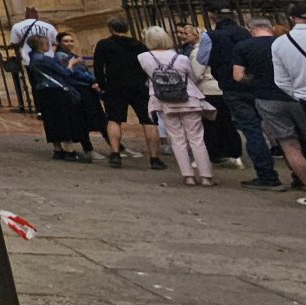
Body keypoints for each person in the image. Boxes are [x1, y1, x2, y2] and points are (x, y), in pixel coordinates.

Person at [204, 12, 282, 189]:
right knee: (286, 134)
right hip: (280, 92)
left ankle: (267, 175)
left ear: (251, 29)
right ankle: (298, 176)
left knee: (253, 131)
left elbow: (238, 75)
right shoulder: (282, 43)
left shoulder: (244, 46)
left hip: (242, 92)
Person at [138, 26, 215, 186]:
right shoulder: (181, 58)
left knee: (177, 139)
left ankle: (188, 176)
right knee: (197, 139)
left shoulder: (143, 57)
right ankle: (206, 176)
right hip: (188, 100)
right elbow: (192, 77)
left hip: (163, 100)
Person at [93, 18, 163, 170]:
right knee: (149, 121)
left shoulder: (104, 44)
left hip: (115, 87)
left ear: (111, 28)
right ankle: (155, 158)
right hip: (139, 86)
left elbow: (98, 68)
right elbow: (147, 65)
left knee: (114, 120)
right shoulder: (139, 45)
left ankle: (115, 154)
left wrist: (103, 86)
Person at [251, 7, 306, 198]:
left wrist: (297, 93)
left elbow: (281, 81)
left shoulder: (281, 43)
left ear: (292, 18)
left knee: (290, 143)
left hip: (296, 97)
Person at [177, 21, 241, 169]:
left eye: (187, 33)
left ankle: (214, 154)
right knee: (227, 122)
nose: (183, 36)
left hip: (207, 90)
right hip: (222, 88)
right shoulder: (224, 49)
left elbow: (196, 73)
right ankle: (234, 153)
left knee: (210, 124)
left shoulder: (198, 52)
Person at [26, 34, 90, 160]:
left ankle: (57, 149)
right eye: (46, 43)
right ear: (41, 45)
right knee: (64, 118)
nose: (49, 45)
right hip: (56, 90)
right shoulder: (45, 59)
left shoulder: (33, 58)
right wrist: (71, 63)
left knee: (51, 119)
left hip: (43, 91)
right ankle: (70, 151)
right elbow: (65, 73)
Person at [55, 31, 107, 156]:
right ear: (59, 43)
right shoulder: (62, 56)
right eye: (66, 41)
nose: (69, 43)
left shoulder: (70, 55)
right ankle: (90, 148)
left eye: (71, 41)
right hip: (79, 88)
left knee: (95, 118)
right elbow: (76, 72)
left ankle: (108, 146)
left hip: (85, 87)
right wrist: (95, 80)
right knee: (90, 118)